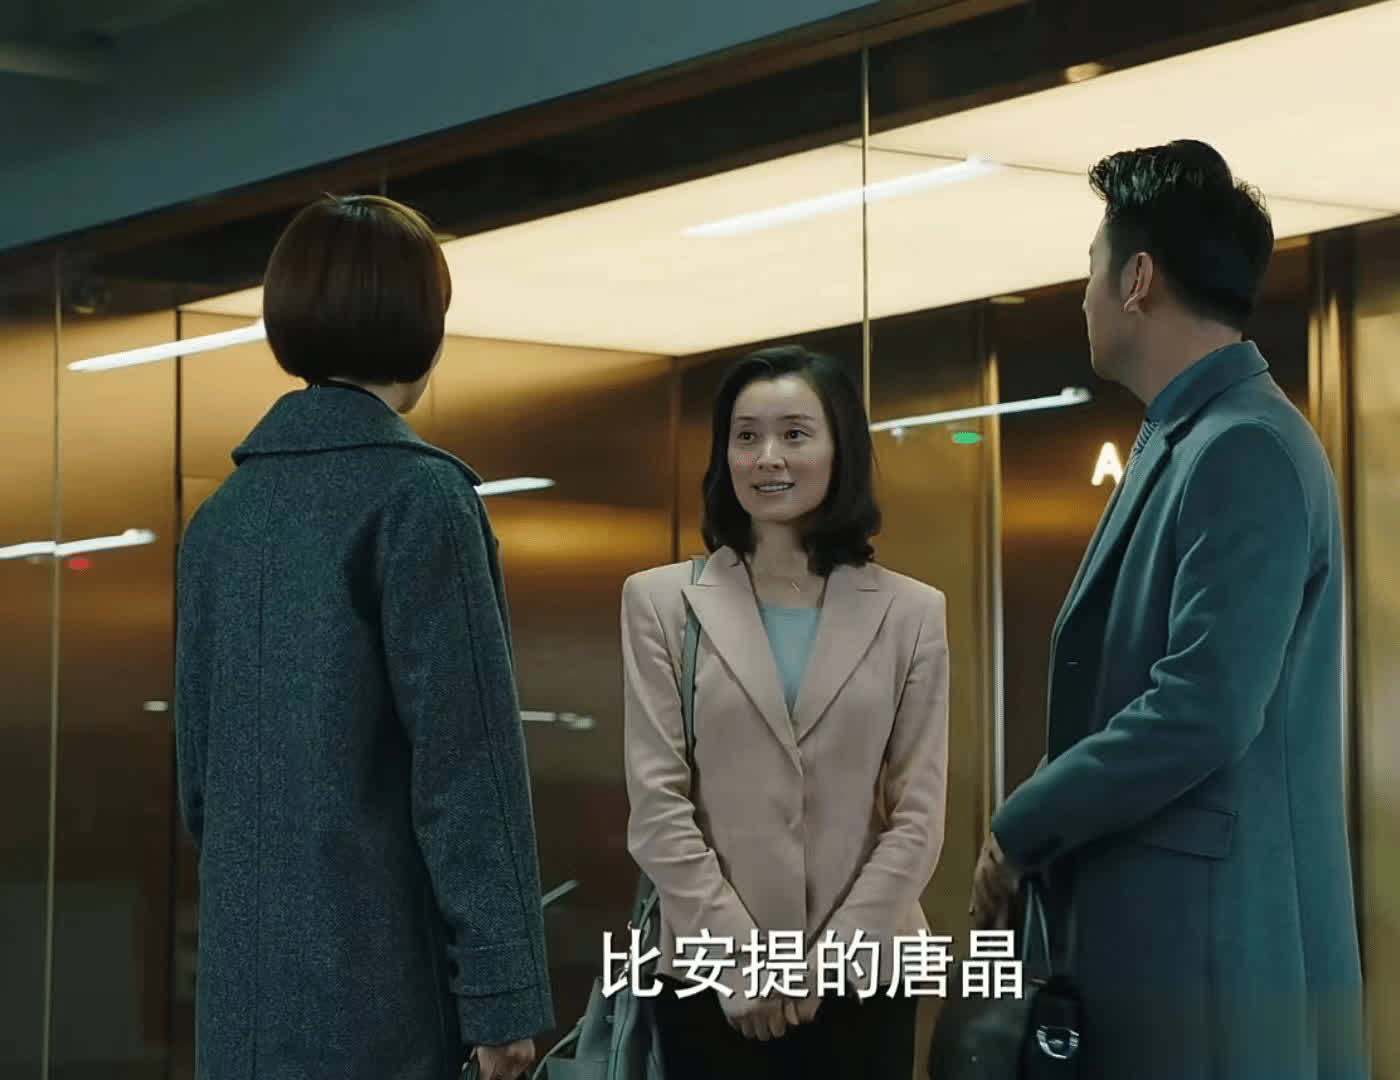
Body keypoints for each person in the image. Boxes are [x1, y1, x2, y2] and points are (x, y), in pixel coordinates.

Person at [969, 140, 1369, 1078]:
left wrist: (1023, 823)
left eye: (1092, 270)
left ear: (1138, 278)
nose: (1084, 297)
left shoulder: (1244, 447)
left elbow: (1202, 708)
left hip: (1211, 962)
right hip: (1169, 949)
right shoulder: (1190, 438)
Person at [174, 194, 553, 1080]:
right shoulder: (421, 501)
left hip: (240, 1007)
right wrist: (501, 998)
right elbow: (467, 772)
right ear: (422, 324)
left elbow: (200, 788)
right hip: (385, 1003)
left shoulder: (221, 517)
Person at [621, 344, 949, 1079]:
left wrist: (823, 966)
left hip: (863, 978)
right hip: (711, 979)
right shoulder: (661, 602)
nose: (767, 457)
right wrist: (745, 962)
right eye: (746, 436)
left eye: (795, 434)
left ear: (840, 449)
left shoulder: (912, 612)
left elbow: (918, 815)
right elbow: (658, 805)